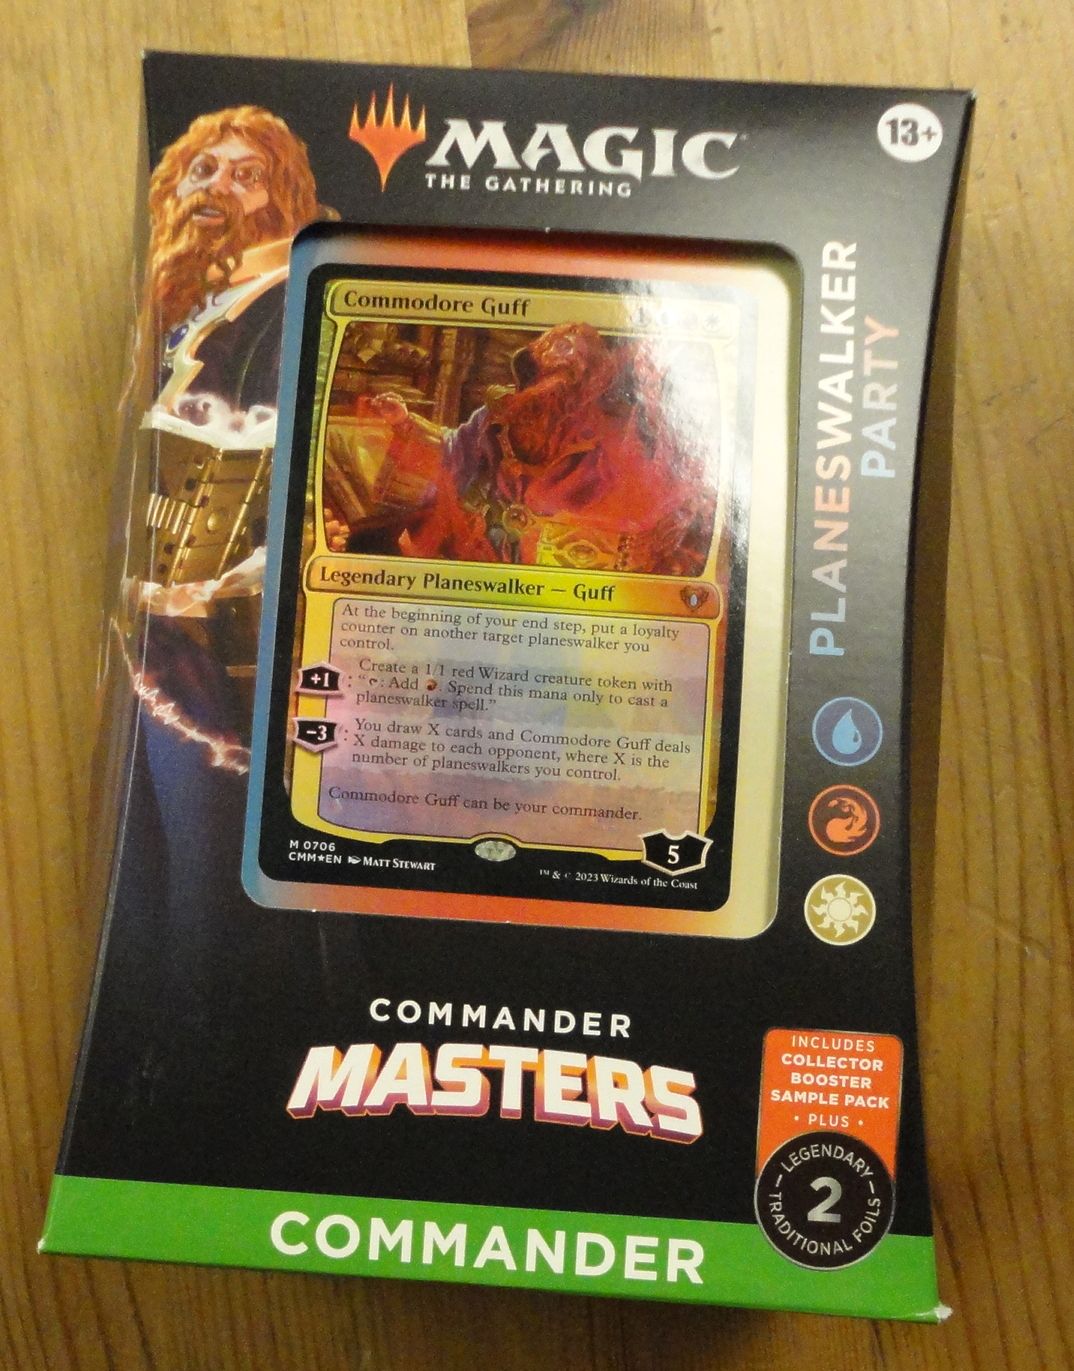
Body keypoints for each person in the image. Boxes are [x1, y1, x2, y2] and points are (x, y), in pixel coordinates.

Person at [330, 322, 719, 577]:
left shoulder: (616, 440)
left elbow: (650, 511)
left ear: (591, 378)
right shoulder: (500, 415)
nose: (561, 371)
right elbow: (454, 450)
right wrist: (404, 423)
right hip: (483, 565)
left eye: (574, 365)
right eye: (553, 358)